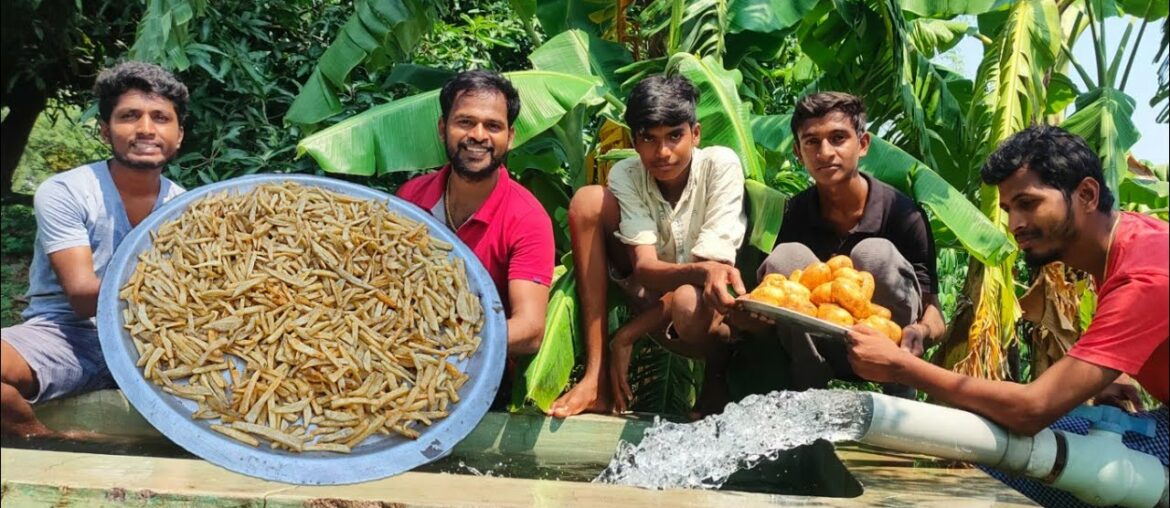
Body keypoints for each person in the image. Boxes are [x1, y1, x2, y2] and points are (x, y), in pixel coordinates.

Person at [846, 125, 1167, 507]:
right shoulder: (1127, 240)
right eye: (1009, 210)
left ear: (1086, 194)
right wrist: (1111, 375)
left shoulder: (1145, 276)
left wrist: (901, 367)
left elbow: (1031, 410)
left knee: (1012, 456)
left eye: (1028, 203)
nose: (1015, 225)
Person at [1, 61, 189, 437]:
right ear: (105, 130)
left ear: (179, 134)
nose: (146, 129)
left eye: (160, 118)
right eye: (129, 116)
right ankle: (42, 439)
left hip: (160, 341)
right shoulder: (66, 191)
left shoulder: (189, 207)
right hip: (68, 335)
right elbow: (84, 297)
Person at [548, 74, 748, 418]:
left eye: (675, 136)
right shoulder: (626, 174)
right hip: (649, 300)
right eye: (649, 139)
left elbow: (707, 279)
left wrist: (627, 335)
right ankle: (595, 378)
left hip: (708, 318)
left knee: (688, 299)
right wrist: (698, 272)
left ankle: (718, 380)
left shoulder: (720, 165)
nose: (663, 152)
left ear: (696, 134)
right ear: (634, 141)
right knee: (587, 201)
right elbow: (644, 268)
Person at [732, 92, 945, 394]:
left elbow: (933, 312)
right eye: (812, 142)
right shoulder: (793, 214)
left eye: (838, 138)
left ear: (863, 144)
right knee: (786, 257)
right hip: (819, 344)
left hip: (889, 347)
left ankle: (898, 385)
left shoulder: (902, 214)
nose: (825, 152)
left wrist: (920, 332)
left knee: (875, 253)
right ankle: (807, 390)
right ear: (798, 152)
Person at [397, 69, 554, 359]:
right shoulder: (410, 198)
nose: (478, 135)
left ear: (510, 137)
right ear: (443, 128)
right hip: (396, 356)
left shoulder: (528, 219)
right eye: (465, 122)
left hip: (476, 366)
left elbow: (530, 330)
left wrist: (444, 344)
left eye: (493, 126)